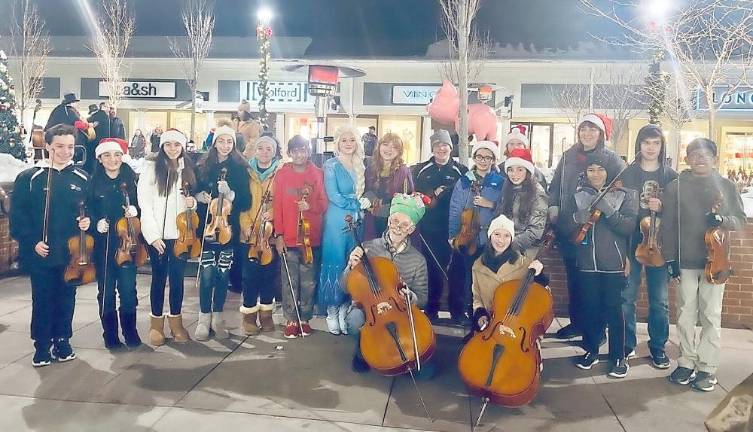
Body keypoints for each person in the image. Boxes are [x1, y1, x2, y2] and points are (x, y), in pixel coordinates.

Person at [662, 138, 746, 392]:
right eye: (694, 154)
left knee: (710, 315)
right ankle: (686, 362)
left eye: (705, 154)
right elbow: (668, 225)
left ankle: (707, 367)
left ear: (714, 159)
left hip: (716, 260)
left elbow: (739, 221)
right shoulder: (675, 187)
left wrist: (722, 218)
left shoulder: (726, 186)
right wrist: (670, 259)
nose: (700, 158)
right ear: (687, 159)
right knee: (685, 314)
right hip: (685, 260)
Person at [10, 124, 91, 367]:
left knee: (67, 297)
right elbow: (18, 216)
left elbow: (93, 212)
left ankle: (63, 339)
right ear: (47, 146)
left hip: (71, 254)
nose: (65, 152)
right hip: (42, 252)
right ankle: (42, 345)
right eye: (59, 147)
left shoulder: (82, 178)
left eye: (69, 147)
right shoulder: (30, 178)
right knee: (43, 298)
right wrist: (32, 241)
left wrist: (89, 221)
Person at [548, 113, 625, 340]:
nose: (587, 134)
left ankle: (597, 330)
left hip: (598, 229)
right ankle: (577, 324)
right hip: (570, 225)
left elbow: (621, 190)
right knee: (574, 279)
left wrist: (604, 211)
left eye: (592, 130)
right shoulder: (568, 156)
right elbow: (555, 186)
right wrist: (554, 208)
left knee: (595, 283)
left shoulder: (611, 159)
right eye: (583, 129)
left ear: (600, 134)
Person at [564, 153, 638, 378]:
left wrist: (609, 211)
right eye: (591, 170)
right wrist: (577, 218)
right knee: (590, 309)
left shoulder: (626, 195)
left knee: (615, 311)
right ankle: (591, 350)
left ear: (610, 172)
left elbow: (628, 228)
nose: (595, 174)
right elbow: (565, 228)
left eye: (600, 170)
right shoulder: (579, 196)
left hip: (613, 264)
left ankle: (618, 356)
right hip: (586, 263)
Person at [343, 193, 430, 375]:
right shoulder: (368, 247)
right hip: (370, 309)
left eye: (404, 224)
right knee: (354, 320)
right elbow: (344, 286)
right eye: (394, 221)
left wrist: (409, 295)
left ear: (411, 229)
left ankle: (407, 352)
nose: (398, 228)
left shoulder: (418, 259)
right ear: (388, 221)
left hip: (400, 308)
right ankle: (362, 351)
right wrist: (351, 266)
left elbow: (422, 299)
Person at [620, 124, 678, 369]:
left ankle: (658, 347)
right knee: (626, 297)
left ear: (661, 146)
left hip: (659, 244)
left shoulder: (671, 176)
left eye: (655, 143)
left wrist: (664, 207)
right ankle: (625, 345)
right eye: (646, 143)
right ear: (639, 145)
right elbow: (620, 209)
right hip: (632, 241)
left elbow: (679, 213)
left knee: (660, 300)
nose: (651, 148)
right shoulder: (628, 174)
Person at [137, 129, 196, 346]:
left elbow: (190, 202)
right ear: (162, 147)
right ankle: (156, 325)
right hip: (158, 236)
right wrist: (152, 236)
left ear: (182, 147)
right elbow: (145, 204)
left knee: (178, 280)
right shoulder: (152, 169)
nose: (173, 149)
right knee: (159, 279)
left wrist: (194, 204)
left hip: (180, 235)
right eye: (168, 145)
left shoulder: (187, 169)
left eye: (177, 145)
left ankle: (177, 322)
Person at [193, 126, 251, 341]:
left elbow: (246, 201)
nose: (225, 146)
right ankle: (203, 318)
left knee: (223, 275)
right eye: (221, 141)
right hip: (208, 226)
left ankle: (218, 316)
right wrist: (199, 196)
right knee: (207, 274)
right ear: (214, 143)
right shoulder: (203, 165)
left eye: (229, 142)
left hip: (227, 228)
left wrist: (230, 194)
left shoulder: (239, 168)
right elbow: (192, 190)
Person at [89, 138, 142, 350]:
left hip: (127, 246)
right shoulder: (93, 182)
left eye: (117, 155)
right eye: (108, 156)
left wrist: (135, 210)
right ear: (100, 159)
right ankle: (109, 334)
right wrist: (96, 223)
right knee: (107, 292)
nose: (113, 159)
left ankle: (130, 330)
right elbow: (86, 210)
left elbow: (140, 204)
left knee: (129, 291)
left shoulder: (130, 179)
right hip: (104, 247)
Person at [273, 135, 327, 339]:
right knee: (289, 280)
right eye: (295, 150)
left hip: (310, 238)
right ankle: (291, 319)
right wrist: (278, 235)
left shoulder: (317, 174)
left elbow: (323, 204)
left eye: (303, 150)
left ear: (308, 151)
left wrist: (310, 206)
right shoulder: (282, 175)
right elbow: (277, 206)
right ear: (289, 153)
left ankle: (304, 318)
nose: (299, 154)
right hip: (287, 237)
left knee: (308, 280)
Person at [411, 129, 468, 320]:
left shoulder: (462, 171)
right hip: (431, 230)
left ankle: (457, 311)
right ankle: (432, 309)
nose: (441, 148)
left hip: (457, 229)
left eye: (444, 145)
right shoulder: (421, 170)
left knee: (457, 271)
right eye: (437, 145)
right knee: (432, 270)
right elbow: (415, 197)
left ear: (450, 148)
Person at [448, 140, 504, 324]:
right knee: (461, 275)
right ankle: (458, 312)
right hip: (466, 235)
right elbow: (456, 208)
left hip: (487, 237)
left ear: (493, 160)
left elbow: (505, 208)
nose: (483, 161)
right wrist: (453, 234)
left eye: (488, 157)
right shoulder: (464, 180)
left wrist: (491, 205)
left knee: (482, 278)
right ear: (474, 157)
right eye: (480, 156)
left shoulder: (500, 182)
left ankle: (479, 315)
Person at [318, 126, 367, 335]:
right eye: (344, 140)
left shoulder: (360, 165)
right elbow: (333, 195)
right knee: (336, 260)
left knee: (352, 261)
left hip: (356, 221)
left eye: (352, 140)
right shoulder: (331, 165)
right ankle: (331, 309)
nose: (348, 144)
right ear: (337, 143)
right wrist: (357, 203)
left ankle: (345, 308)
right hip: (337, 218)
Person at [470, 214, 547, 337]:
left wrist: (539, 274)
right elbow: (477, 297)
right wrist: (480, 315)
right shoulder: (478, 266)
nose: (501, 240)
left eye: (506, 236)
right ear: (490, 236)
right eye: (497, 234)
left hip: (517, 327)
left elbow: (541, 294)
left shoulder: (524, 264)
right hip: (490, 327)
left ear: (512, 239)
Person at [239, 135, 281, 335]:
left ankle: (266, 314)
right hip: (249, 235)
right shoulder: (246, 172)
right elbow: (242, 203)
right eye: (261, 148)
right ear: (254, 151)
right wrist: (246, 225)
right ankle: (248, 316)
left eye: (269, 149)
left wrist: (273, 214)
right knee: (249, 276)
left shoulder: (279, 173)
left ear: (275, 152)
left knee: (269, 276)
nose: (265, 153)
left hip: (269, 234)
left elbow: (283, 202)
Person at [494, 147, 549, 258]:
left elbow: (535, 232)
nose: (514, 174)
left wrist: (509, 245)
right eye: (510, 170)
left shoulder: (537, 194)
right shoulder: (507, 189)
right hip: (504, 245)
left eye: (520, 169)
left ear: (528, 171)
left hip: (526, 250)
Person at [364, 133, 414, 238]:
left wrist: (384, 204)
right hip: (371, 220)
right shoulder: (370, 168)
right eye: (385, 144)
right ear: (379, 146)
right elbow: (365, 190)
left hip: (394, 223)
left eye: (394, 147)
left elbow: (407, 198)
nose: (388, 149)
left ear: (399, 152)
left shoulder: (403, 171)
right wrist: (368, 199)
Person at [498, 125, 548, 191]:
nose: (515, 147)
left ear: (525, 146)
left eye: (519, 144)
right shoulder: (499, 170)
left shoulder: (535, 173)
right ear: (507, 147)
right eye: (512, 144)